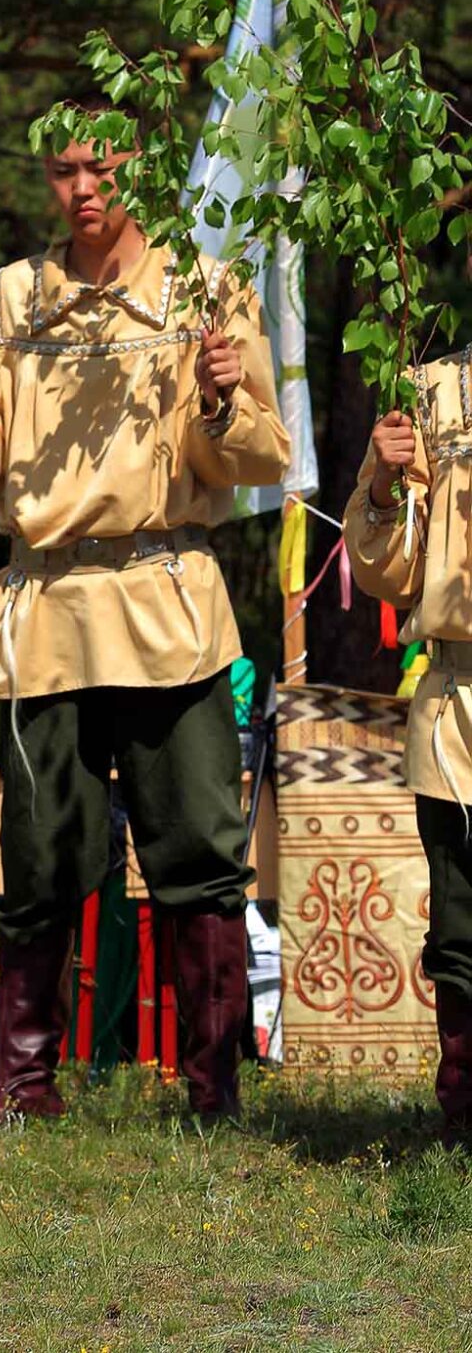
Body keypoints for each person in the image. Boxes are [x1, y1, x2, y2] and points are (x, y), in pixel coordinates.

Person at [0, 107, 289, 1123]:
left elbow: (256, 455)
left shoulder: (200, 291)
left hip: (167, 602)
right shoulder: (3, 300)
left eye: (99, 169)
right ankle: (22, 1086)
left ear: (136, 173)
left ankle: (210, 1090)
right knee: (37, 857)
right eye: (62, 171)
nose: (80, 189)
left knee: (197, 856)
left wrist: (214, 401)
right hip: (45, 608)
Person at [347, 371, 472, 1149]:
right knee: (461, 928)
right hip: (462, 697)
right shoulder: (430, 392)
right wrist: (388, 489)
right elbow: (387, 571)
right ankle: (466, 1120)